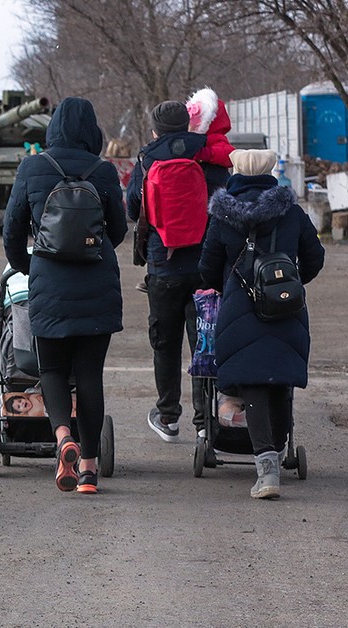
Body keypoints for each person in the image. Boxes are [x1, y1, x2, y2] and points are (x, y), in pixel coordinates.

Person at [3, 97, 127, 494]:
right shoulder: (103, 171)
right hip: (97, 285)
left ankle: (62, 440)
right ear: (91, 130)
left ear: (53, 127)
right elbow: (120, 230)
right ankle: (89, 470)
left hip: (49, 283)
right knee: (90, 375)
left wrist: (28, 265)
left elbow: (11, 229)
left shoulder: (33, 167)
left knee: (51, 370)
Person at [200, 149, 324, 499]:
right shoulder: (293, 212)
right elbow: (315, 258)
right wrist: (289, 282)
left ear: (237, 170)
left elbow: (207, 268)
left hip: (239, 309)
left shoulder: (222, 215)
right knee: (279, 377)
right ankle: (280, 449)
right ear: (270, 171)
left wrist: (230, 283)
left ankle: (267, 470)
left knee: (252, 381)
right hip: (286, 306)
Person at [126, 101, 208, 444]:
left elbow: (132, 207)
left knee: (165, 342)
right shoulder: (204, 155)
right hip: (205, 264)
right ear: (187, 127)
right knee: (204, 342)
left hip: (163, 265)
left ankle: (168, 417)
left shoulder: (147, 160)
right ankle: (206, 421)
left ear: (156, 129)